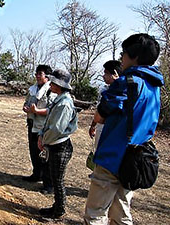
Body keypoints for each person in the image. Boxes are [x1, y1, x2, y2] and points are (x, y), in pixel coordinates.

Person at [84, 33, 164, 225]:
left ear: (134, 57)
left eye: (124, 53)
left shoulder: (127, 82)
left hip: (113, 156)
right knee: (121, 214)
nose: (121, 58)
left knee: (95, 213)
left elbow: (100, 115)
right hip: (136, 159)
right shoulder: (155, 85)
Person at [38, 69, 78, 219]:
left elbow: (56, 129)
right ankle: (56, 206)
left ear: (59, 85)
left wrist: (43, 140)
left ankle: (59, 211)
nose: (50, 84)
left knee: (58, 180)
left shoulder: (65, 104)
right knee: (56, 179)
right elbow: (50, 123)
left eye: (53, 82)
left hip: (60, 146)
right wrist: (42, 137)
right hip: (54, 144)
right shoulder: (59, 99)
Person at [22, 64, 56, 194]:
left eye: (39, 74)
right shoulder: (33, 89)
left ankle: (48, 185)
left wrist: (37, 111)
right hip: (32, 124)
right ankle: (36, 174)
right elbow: (26, 102)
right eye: (36, 73)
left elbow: (52, 110)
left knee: (45, 155)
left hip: (43, 127)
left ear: (47, 77)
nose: (37, 76)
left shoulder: (51, 91)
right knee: (33, 151)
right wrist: (26, 108)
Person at [89, 60, 122, 149]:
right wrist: (93, 125)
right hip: (100, 127)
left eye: (106, 73)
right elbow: (99, 110)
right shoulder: (104, 90)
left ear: (114, 74)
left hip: (111, 130)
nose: (103, 76)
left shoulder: (122, 92)